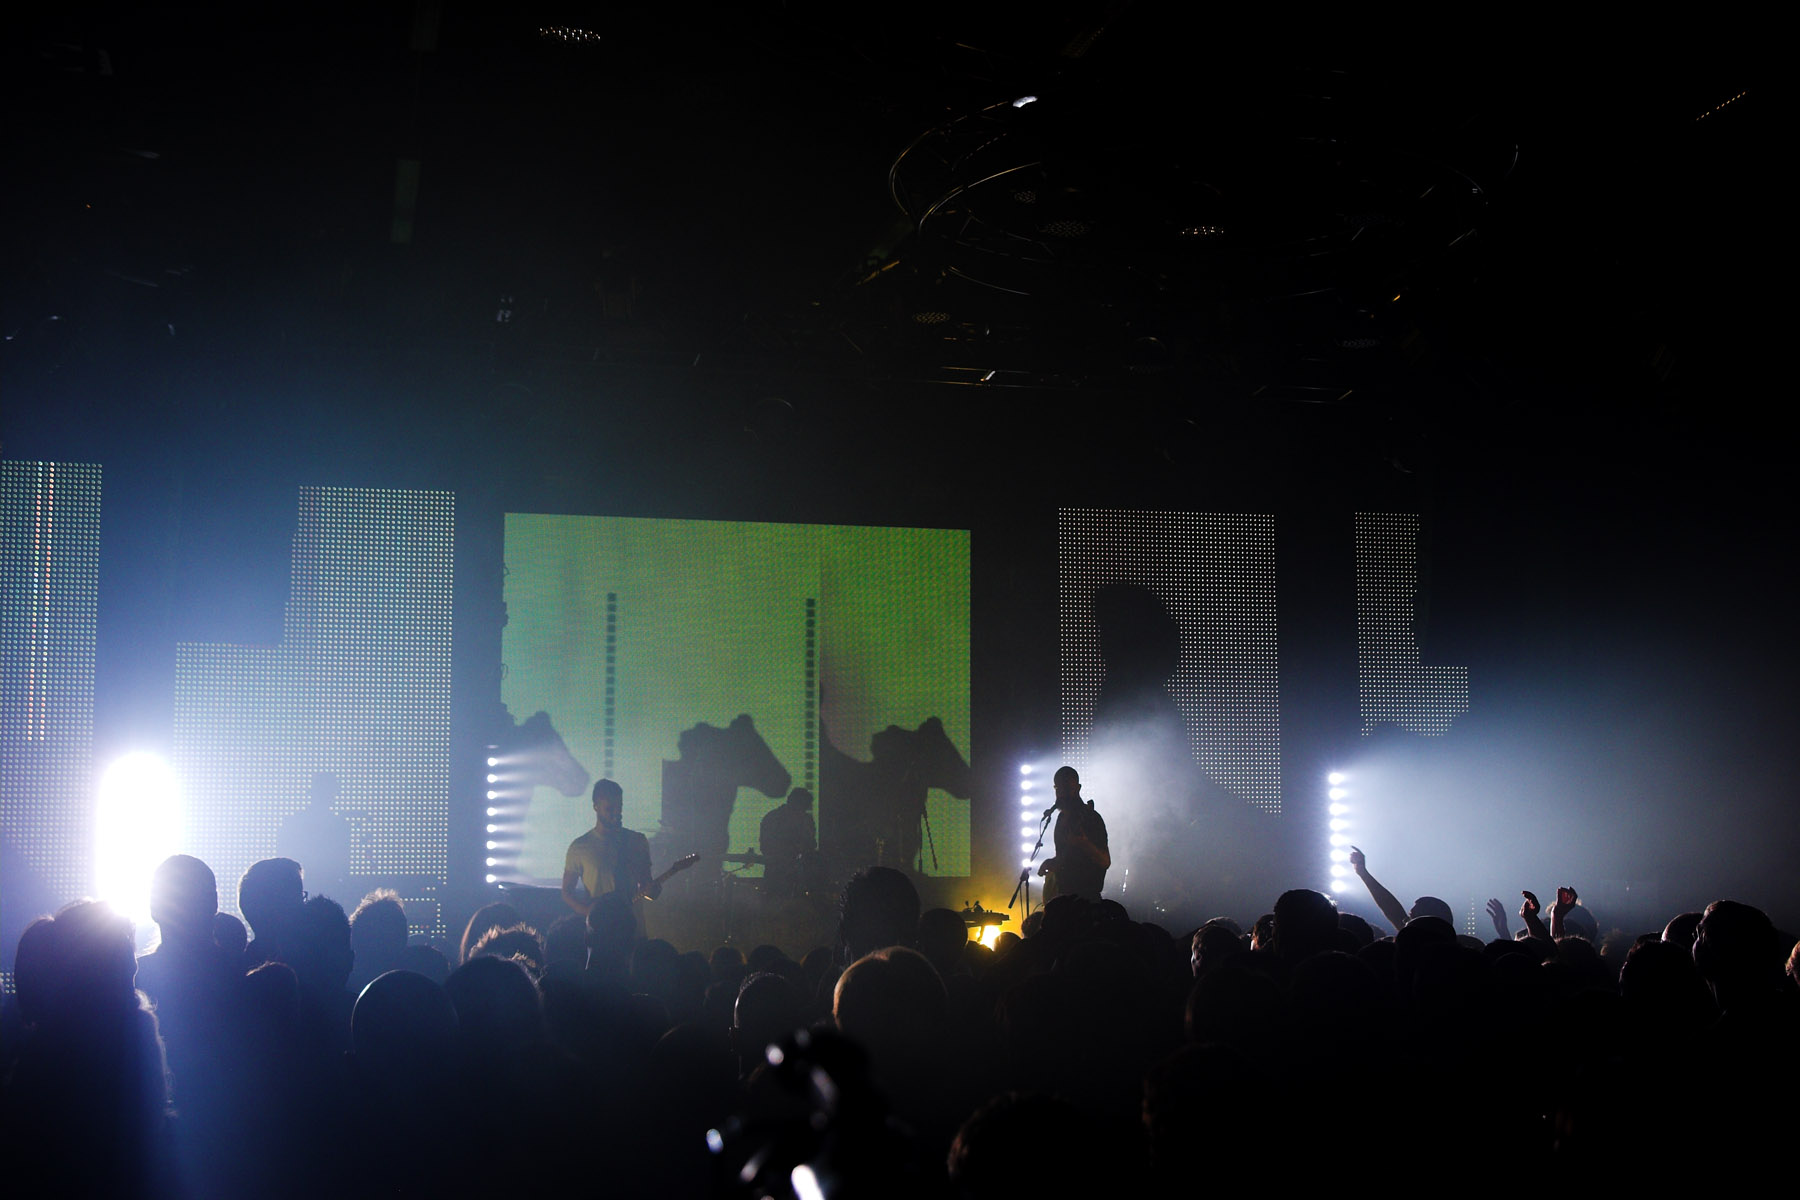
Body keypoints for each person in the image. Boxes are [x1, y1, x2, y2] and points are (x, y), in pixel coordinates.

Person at [562, 779, 658, 933]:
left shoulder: (636, 841)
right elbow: (567, 892)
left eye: (619, 808)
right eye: (610, 809)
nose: (616, 814)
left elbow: (648, 887)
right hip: (599, 931)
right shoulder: (579, 847)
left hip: (633, 930)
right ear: (596, 806)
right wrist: (589, 912)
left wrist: (653, 891)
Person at [1036, 766, 1109, 901]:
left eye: (1066, 787)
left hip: (1086, 901)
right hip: (1064, 898)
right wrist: (1052, 862)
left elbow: (1105, 861)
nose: (1061, 793)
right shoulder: (1061, 818)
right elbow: (1067, 858)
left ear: (1078, 788)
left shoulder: (1091, 818)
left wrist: (1084, 844)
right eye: (1057, 788)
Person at [759, 787, 816, 899]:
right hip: (776, 874)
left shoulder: (807, 820)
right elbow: (766, 846)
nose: (803, 810)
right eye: (802, 806)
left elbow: (811, 844)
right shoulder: (773, 819)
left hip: (800, 876)